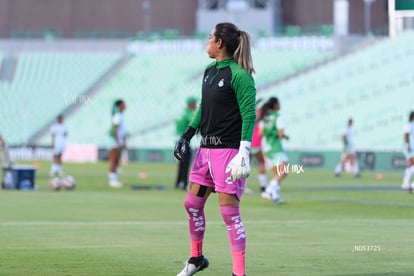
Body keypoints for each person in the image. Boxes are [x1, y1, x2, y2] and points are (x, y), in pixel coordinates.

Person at [174, 22, 256, 276]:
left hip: (228, 154)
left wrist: (244, 151)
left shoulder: (240, 75)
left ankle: (238, 273)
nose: (207, 41)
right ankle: (196, 259)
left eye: (210, 37)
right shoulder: (210, 71)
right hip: (204, 152)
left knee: (229, 214)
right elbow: (204, 108)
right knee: (192, 204)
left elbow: (249, 115)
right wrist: (187, 134)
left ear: (219, 42)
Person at [258, 97, 289, 203]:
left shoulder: (264, 117)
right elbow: (280, 134)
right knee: (283, 172)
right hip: (276, 147)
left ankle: (276, 197)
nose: (280, 105)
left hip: (266, 147)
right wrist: (285, 136)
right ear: (275, 105)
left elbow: (261, 133)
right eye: (279, 103)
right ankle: (269, 190)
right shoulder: (278, 117)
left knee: (277, 174)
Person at [175, 97, 198, 190]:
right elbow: (195, 122)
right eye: (194, 103)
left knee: (181, 162)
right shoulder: (189, 114)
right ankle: (183, 183)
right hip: (184, 141)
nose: (195, 105)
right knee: (185, 162)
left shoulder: (182, 113)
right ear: (190, 104)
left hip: (178, 139)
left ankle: (178, 182)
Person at [108, 99, 127, 188]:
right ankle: (112, 180)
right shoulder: (118, 115)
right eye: (124, 104)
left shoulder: (120, 115)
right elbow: (114, 129)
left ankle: (114, 179)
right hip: (114, 140)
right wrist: (117, 140)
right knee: (113, 160)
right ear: (119, 105)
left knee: (116, 160)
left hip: (117, 140)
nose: (125, 106)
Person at [250, 99, 267, 192]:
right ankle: (263, 185)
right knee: (261, 162)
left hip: (249, 143)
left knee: (245, 165)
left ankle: (241, 186)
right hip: (255, 143)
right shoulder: (258, 114)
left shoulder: (252, 112)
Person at [402, 111, 414, 192]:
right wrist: (407, 145)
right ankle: (407, 183)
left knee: (411, 165)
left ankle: (407, 183)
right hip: (412, 147)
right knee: (411, 164)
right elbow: (405, 135)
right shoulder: (409, 125)